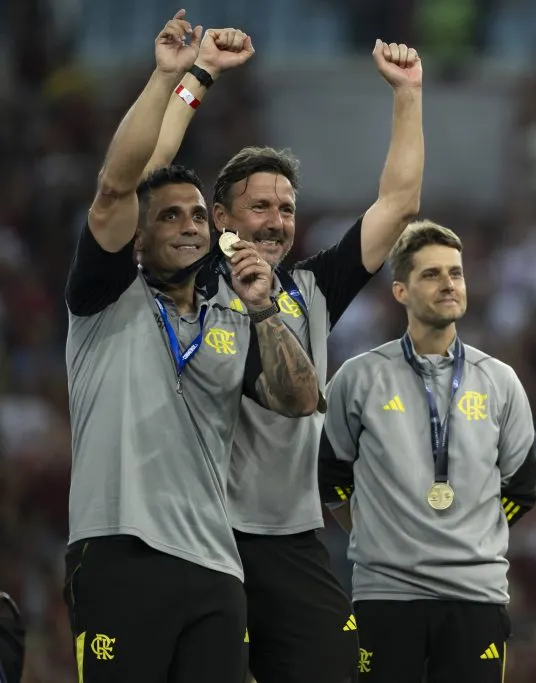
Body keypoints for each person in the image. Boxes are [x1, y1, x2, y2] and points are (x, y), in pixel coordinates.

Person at [143, 38, 425, 683]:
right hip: (204, 536)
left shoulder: (312, 289)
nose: (276, 222)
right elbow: (146, 181)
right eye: (260, 207)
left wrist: (407, 95)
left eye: (288, 209)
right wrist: (197, 78)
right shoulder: (185, 283)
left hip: (294, 538)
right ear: (218, 218)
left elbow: (399, 204)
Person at [62, 12, 319, 683]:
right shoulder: (106, 296)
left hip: (215, 567)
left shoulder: (232, 317)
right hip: (119, 548)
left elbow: (301, 399)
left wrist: (265, 311)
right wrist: (182, 77)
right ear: (137, 236)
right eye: (169, 216)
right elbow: (125, 183)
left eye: (199, 215)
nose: (186, 224)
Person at [318, 220, 536, 683]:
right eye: (431, 274)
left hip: (475, 596)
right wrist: (376, 531)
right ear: (400, 290)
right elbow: (331, 477)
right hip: (386, 595)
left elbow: (521, 487)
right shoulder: (359, 378)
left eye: (455, 273)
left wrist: (471, 533)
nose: (448, 284)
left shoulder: (499, 380)